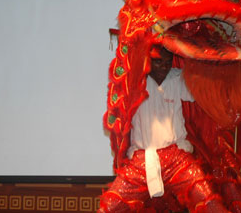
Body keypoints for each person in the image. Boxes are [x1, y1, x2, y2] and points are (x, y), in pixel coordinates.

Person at [98, 47, 232, 212]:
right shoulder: (134, 82)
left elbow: (204, 89)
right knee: (109, 207)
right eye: (159, 62)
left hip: (177, 159)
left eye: (168, 62)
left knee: (209, 201)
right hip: (142, 160)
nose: (164, 66)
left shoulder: (178, 78)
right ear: (149, 61)